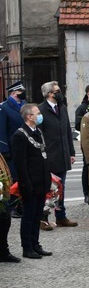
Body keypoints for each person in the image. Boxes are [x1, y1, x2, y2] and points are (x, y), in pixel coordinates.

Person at [11, 104, 52, 259]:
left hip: (41, 180)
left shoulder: (38, 132)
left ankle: (36, 244)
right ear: (29, 116)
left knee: (37, 215)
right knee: (28, 217)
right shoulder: (20, 135)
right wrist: (25, 184)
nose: (40, 115)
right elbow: (20, 164)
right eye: (37, 113)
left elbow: (43, 157)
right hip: (30, 182)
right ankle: (27, 247)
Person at [37, 80, 77, 228]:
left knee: (61, 188)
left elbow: (67, 131)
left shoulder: (62, 108)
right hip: (49, 156)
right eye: (57, 91)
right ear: (49, 94)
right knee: (48, 188)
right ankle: (43, 218)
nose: (60, 93)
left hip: (63, 154)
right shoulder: (40, 110)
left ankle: (61, 216)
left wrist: (71, 152)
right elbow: (38, 136)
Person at [0, 81, 27, 218]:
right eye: (20, 91)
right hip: (11, 150)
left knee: (24, 177)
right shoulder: (4, 108)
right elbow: (2, 130)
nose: (23, 93)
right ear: (13, 93)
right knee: (13, 179)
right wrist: (4, 150)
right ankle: (11, 206)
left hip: (24, 149)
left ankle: (21, 206)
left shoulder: (24, 106)